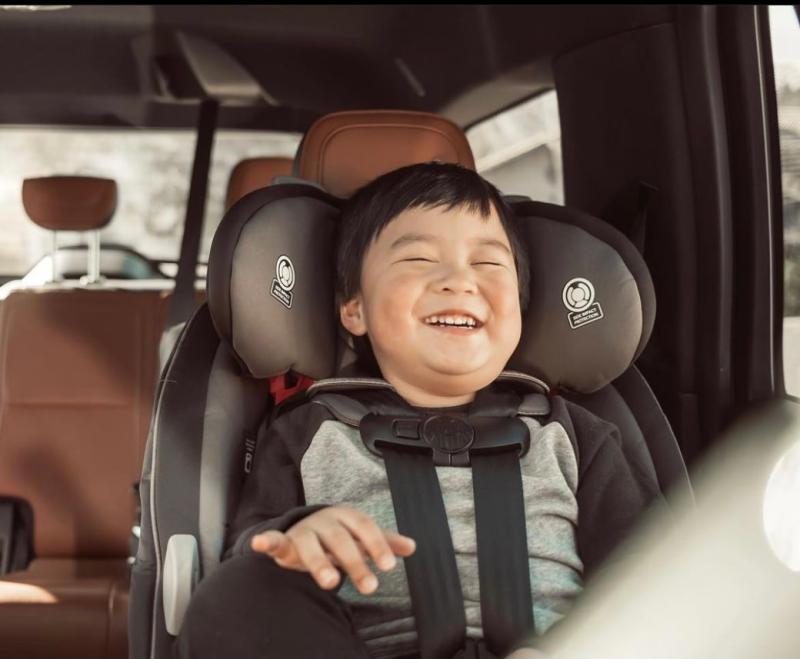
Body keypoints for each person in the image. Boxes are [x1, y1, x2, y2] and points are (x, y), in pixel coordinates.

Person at [176, 163, 661, 659]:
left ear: (519, 302)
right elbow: (254, 550)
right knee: (231, 599)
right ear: (355, 308)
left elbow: (654, 574)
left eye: (488, 265)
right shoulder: (308, 431)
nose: (458, 281)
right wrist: (295, 535)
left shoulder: (578, 437)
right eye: (419, 259)